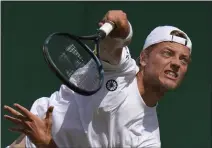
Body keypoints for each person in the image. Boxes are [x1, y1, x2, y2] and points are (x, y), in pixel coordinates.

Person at [4, 10, 192, 148]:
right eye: (168, 53)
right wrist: (122, 26)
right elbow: (117, 38)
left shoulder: (149, 140)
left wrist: (48, 145)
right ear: (143, 58)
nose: (176, 63)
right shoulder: (119, 67)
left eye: (183, 60)